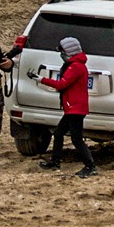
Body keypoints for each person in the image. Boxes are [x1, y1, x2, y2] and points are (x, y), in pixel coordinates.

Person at [39, 35, 98, 177]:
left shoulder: (76, 67)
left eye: (63, 52)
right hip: (72, 108)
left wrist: (41, 79)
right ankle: (55, 161)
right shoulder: (76, 65)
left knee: (76, 138)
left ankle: (90, 166)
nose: (61, 55)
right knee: (58, 133)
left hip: (75, 108)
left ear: (69, 52)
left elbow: (62, 84)